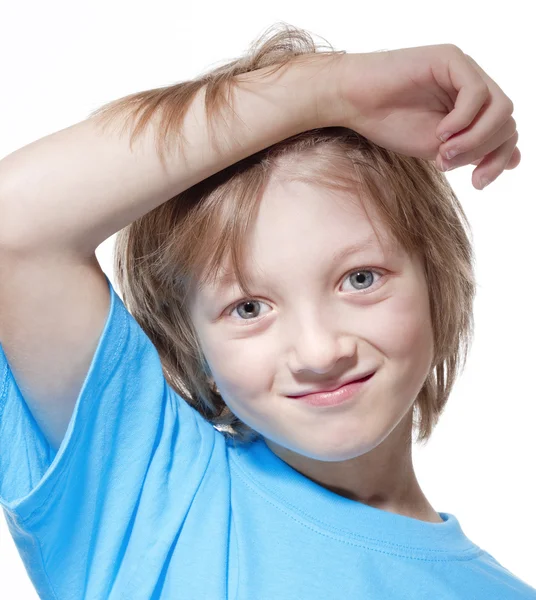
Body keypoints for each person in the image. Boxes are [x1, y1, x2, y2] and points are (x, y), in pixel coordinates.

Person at [0, 21, 531, 600]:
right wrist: (329, 89)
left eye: (360, 279)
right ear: (193, 348)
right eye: (248, 307)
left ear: (437, 283)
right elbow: (13, 226)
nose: (320, 352)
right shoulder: (149, 496)